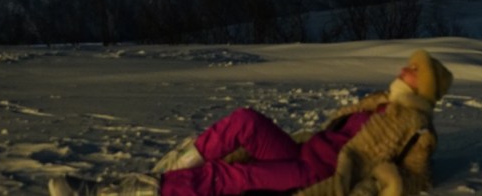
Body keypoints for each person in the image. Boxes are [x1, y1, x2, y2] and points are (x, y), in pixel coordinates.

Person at [48, 49, 453, 196]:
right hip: (301, 153)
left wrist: (383, 184)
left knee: (231, 175)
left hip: (317, 174)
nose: (405, 68)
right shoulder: (381, 103)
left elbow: (417, 177)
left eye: (415, 69)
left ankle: (115, 193)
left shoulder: (416, 126)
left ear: (424, 87)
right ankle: (161, 180)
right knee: (245, 122)